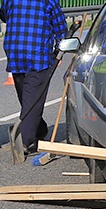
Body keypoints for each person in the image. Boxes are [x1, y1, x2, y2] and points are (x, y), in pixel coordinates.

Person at [1, 0, 68, 154]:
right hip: (38, 55)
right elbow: (59, 26)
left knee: (27, 96)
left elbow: (5, 15)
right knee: (32, 98)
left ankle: (37, 130)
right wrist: (61, 45)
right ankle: (25, 140)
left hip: (15, 52)